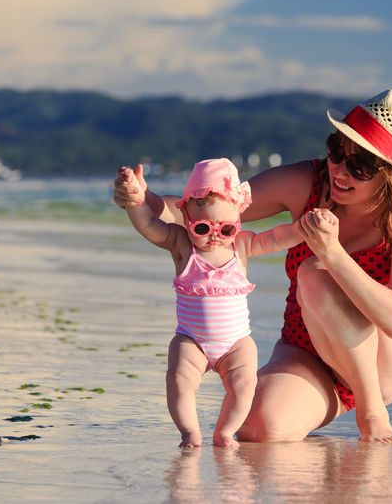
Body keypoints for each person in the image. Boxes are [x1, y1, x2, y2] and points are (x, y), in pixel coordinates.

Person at [113, 89, 392, 443]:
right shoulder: (308, 181)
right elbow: (211, 208)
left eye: (360, 166)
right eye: (337, 151)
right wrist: (142, 200)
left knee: (314, 273)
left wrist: (333, 254)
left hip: (384, 356)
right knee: (256, 426)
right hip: (307, 352)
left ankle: (371, 410)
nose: (341, 171)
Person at [118, 157, 317, 448]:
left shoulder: (242, 246)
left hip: (235, 342)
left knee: (245, 385)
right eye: (202, 228)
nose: (214, 236)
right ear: (185, 215)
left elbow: (276, 237)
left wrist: (304, 228)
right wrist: (135, 201)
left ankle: (225, 431)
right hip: (191, 339)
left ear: (239, 215)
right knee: (178, 382)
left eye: (226, 229)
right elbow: (147, 223)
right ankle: (189, 432)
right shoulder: (181, 244)